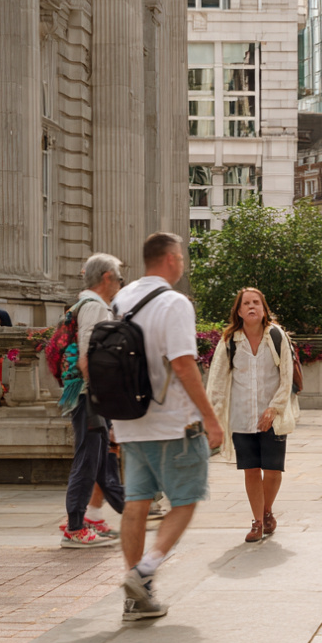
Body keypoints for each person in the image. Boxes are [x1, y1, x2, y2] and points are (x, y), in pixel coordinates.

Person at [111, 232, 224, 622]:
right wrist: (210, 418)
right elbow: (182, 363)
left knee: (136, 503)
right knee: (187, 498)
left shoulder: (120, 300)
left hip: (129, 421)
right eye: (182, 258)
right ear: (172, 259)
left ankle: (136, 600)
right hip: (173, 423)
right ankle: (145, 570)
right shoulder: (174, 303)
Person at [206, 287, 299, 543]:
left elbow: (286, 376)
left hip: (273, 416)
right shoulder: (230, 341)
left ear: (263, 308)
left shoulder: (277, 336)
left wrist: (274, 407)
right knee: (251, 469)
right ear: (238, 311)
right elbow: (216, 381)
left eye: (256, 302)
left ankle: (267, 509)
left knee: (272, 470)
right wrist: (212, 416)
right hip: (242, 417)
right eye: (246, 303)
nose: (251, 307)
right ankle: (258, 520)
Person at [58, 253, 128, 548]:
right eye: (120, 278)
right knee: (88, 461)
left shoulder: (87, 305)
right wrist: (102, 399)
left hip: (89, 396)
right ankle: (75, 527)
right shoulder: (95, 308)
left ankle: (91, 518)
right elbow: (88, 357)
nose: (121, 284)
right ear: (107, 278)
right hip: (90, 396)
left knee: (101, 461)